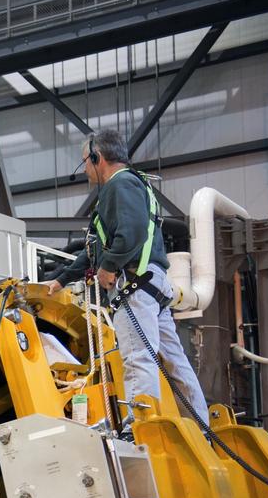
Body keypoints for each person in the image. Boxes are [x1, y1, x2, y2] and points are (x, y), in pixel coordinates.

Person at [46, 129, 208, 430]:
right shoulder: (132, 186)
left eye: (85, 162)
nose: (85, 170)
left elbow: (130, 232)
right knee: (175, 362)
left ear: (98, 158)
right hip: (153, 283)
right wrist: (61, 279)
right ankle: (202, 427)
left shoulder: (119, 185)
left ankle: (141, 428)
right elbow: (96, 248)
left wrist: (108, 267)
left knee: (137, 358)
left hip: (134, 285)